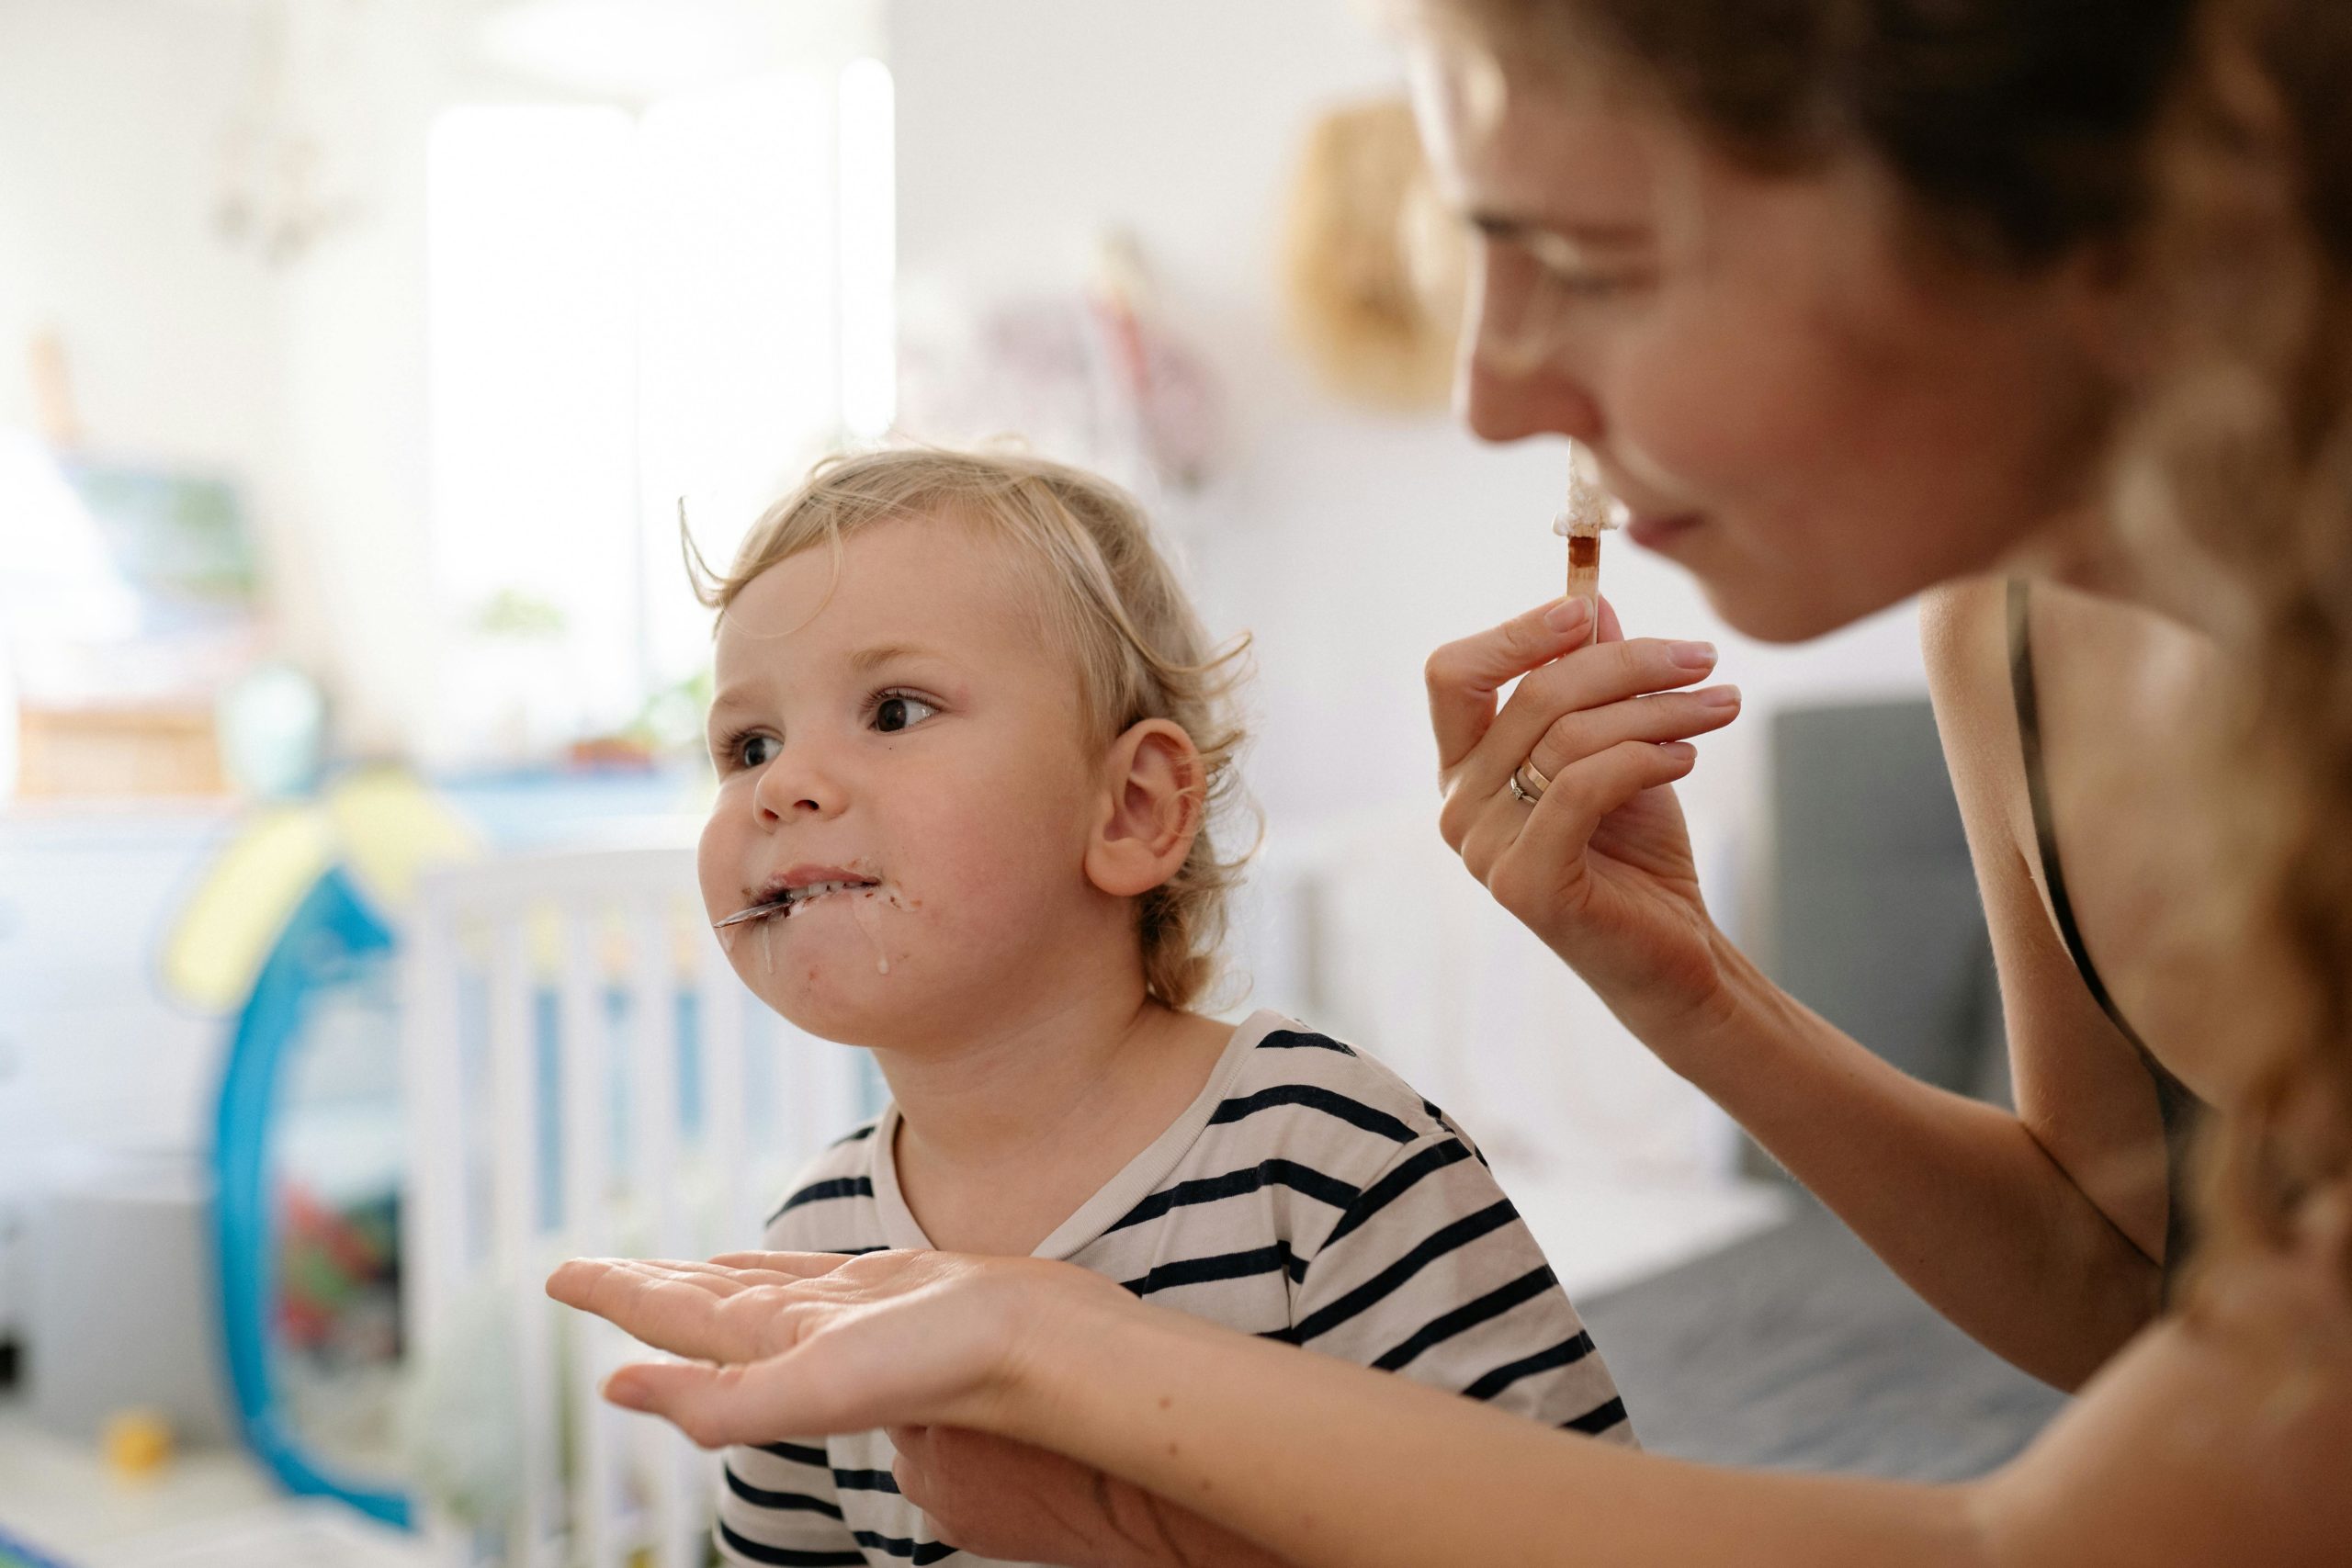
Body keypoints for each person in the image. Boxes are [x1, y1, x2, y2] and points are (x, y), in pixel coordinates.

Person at [548, 2, 2352, 1562]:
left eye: (1586, 256)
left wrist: (1047, 1346)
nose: (1488, 391)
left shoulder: (1322, 1159)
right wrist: (1687, 988)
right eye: (746, 742)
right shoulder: (2014, 644)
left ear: (2050, 202)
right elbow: (2138, 1297)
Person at [687, 448, 1639, 1566]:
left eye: (894, 711)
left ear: (1133, 809)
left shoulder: (1330, 1161)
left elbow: (1574, 1535)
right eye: (748, 744)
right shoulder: (816, 1245)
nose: (780, 785)